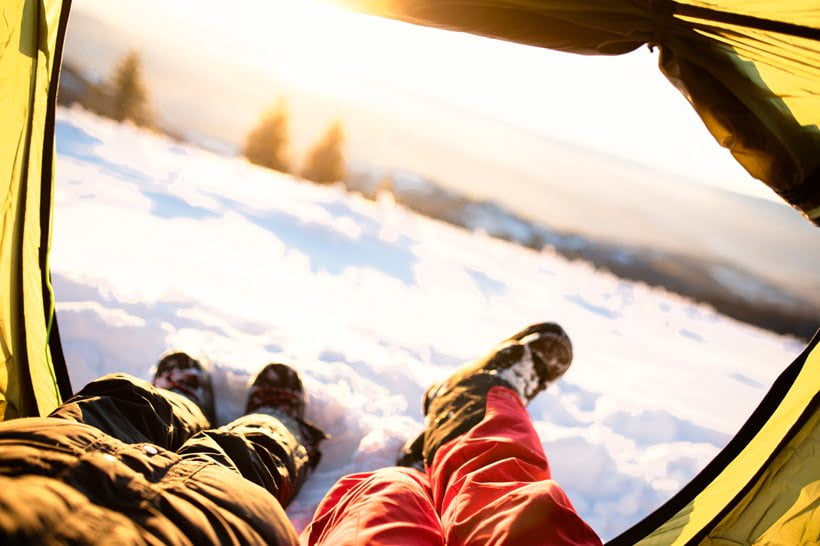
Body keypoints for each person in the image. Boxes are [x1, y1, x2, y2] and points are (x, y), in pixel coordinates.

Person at [0, 322, 601, 545]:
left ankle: (181, 399)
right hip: (222, 525)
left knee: (121, 409)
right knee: (509, 500)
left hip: (34, 462)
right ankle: (463, 409)